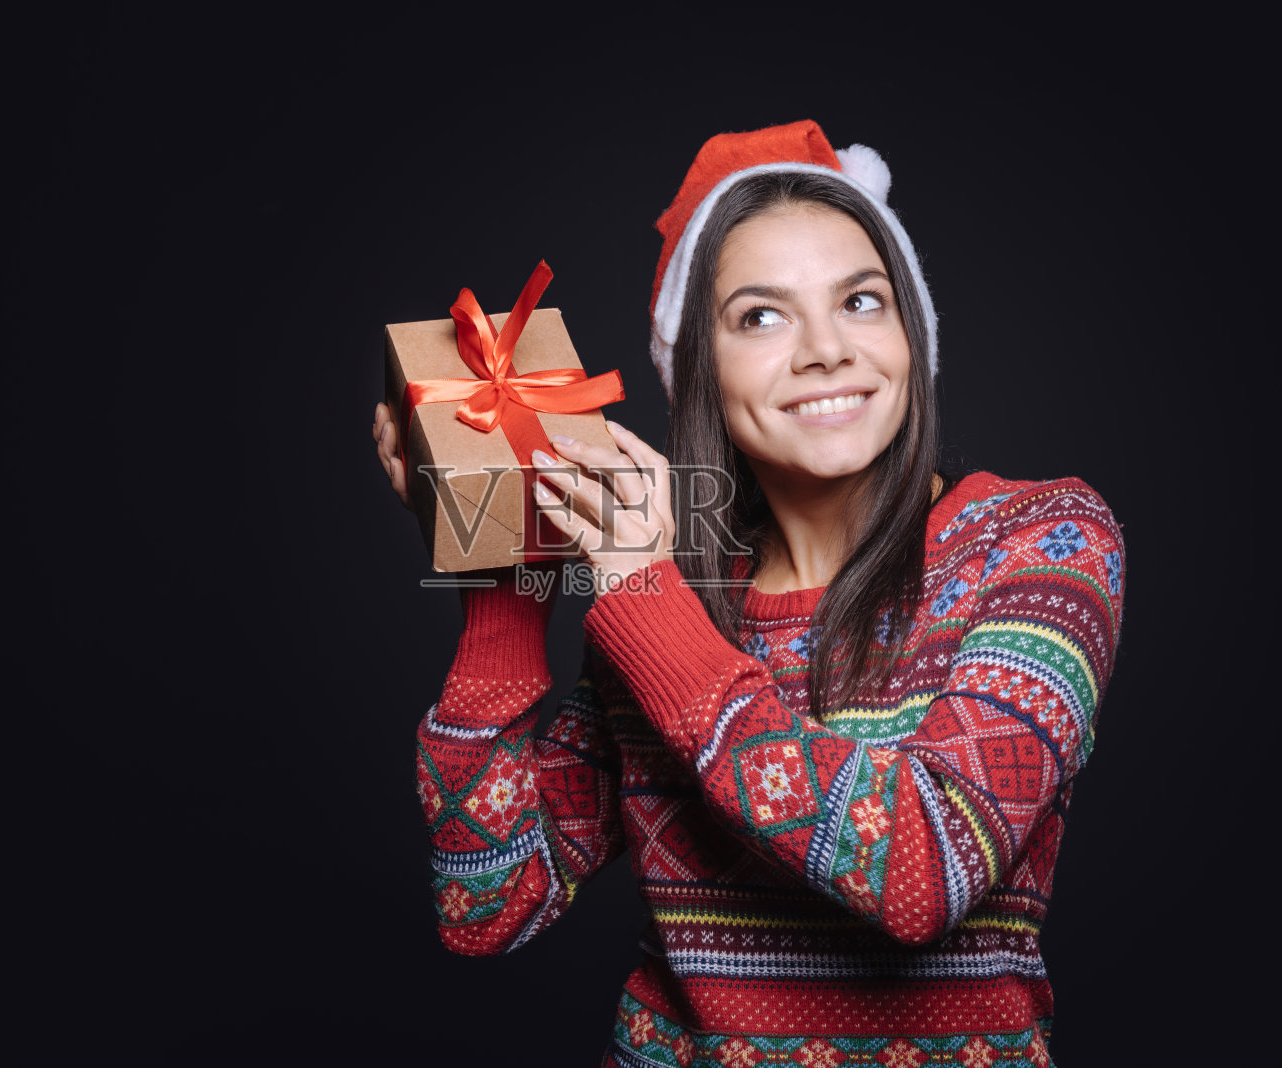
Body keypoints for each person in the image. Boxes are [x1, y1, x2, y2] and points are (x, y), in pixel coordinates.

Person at [370, 120, 1124, 1068]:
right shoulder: (671, 591)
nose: (824, 351)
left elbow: (926, 869)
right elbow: (489, 904)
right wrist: (501, 564)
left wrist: (648, 603)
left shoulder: (1041, 539)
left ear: (910, 334)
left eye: (861, 300)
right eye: (760, 317)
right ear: (697, 371)